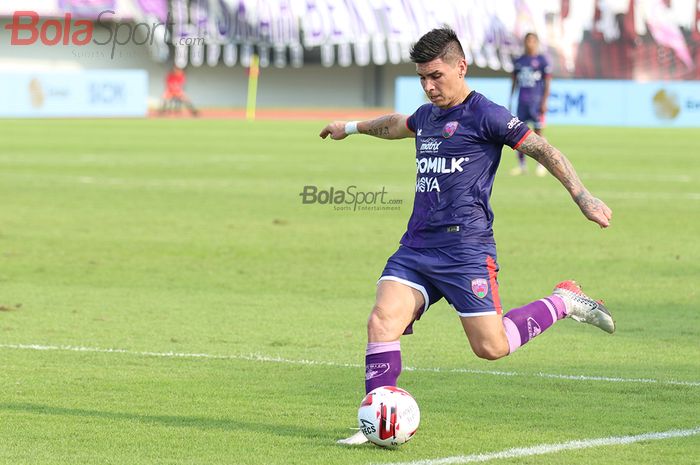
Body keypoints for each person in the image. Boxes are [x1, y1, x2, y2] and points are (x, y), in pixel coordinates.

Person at [319, 27, 615, 446]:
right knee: (382, 320)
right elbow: (394, 124)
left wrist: (583, 196)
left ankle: (563, 300)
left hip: (466, 250)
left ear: (461, 67)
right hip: (417, 247)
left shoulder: (488, 115)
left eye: (436, 75)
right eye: (422, 77)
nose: (428, 86)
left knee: (490, 348)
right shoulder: (426, 116)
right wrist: (348, 126)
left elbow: (544, 150)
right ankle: (378, 421)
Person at [510, 32, 551, 176]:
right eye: (528, 41)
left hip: (536, 103)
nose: (530, 44)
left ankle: (541, 165)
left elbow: (547, 83)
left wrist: (544, 101)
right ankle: (522, 166)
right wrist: (511, 98)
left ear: (537, 43)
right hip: (522, 103)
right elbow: (514, 80)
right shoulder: (519, 61)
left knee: (538, 135)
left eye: (533, 41)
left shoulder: (542, 61)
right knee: (519, 135)